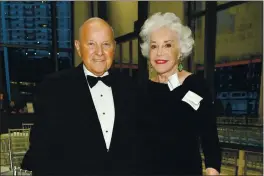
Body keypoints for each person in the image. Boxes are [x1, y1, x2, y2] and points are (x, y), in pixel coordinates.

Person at [21, 17, 138, 175]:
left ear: (114, 47)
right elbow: (42, 149)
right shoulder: (54, 88)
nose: (99, 52)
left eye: (106, 44)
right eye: (91, 44)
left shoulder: (131, 87)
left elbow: (139, 147)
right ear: (78, 47)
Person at [137, 12, 222, 175]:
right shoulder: (143, 90)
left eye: (167, 45)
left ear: (180, 51)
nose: (159, 52)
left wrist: (212, 169)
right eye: (154, 46)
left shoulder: (195, 86)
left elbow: (209, 135)